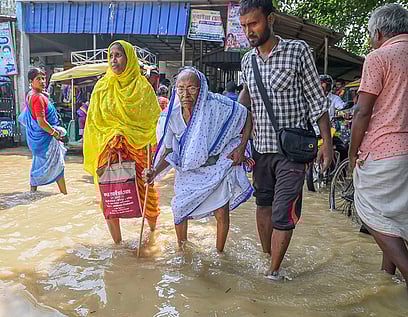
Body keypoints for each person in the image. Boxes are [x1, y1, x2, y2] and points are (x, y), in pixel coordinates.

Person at [238, 0, 332, 279]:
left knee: (283, 212)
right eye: (244, 26)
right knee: (262, 204)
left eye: (253, 23)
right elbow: (249, 108)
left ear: (271, 19)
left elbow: (317, 102)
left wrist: (326, 143)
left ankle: (273, 273)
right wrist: (241, 146)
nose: (249, 31)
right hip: (261, 149)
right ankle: (267, 257)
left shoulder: (297, 51)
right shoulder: (247, 60)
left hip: (293, 151)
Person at [145, 67, 255, 253]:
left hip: (217, 167)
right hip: (187, 171)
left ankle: (220, 254)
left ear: (201, 88)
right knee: (179, 210)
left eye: (191, 88)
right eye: (181, 89)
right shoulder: (170, 116)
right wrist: (154, 172)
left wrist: (241, 147)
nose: (185, 94)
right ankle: (183, 252)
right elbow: (169, 151)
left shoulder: (217, 106)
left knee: (221, 212)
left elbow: (247, 116)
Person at [349, 4, 408, 287]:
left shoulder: (379, 57)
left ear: (380, 32)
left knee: (372, 213)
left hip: (385, 150)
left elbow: (362, 112)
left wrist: (352, 154)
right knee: (396, 218)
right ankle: (388, 279)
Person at [83, 40, 161, 244]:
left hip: (138, 150)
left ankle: (152, 234)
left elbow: (154, 123)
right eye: (111, 56)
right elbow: (94, 121)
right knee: (110, 195)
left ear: (129, 58)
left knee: (146, 194)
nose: (113, 60)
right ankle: (117, 245)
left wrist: (130, 135)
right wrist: (113, 134)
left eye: (118, 55)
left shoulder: (143, 88)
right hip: (108, 148)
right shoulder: (102, 87)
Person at [18, 67, 68, 195]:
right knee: (58, 166)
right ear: (31, 81)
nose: (42, 81)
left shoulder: (30, 94)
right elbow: (41, 122)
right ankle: (64, 195)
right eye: (38, 79)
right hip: (46, 138)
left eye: (43, 78)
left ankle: (32, 192)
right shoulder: (38, 98)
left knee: (37, 163)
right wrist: (56, 134)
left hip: (36, 139)